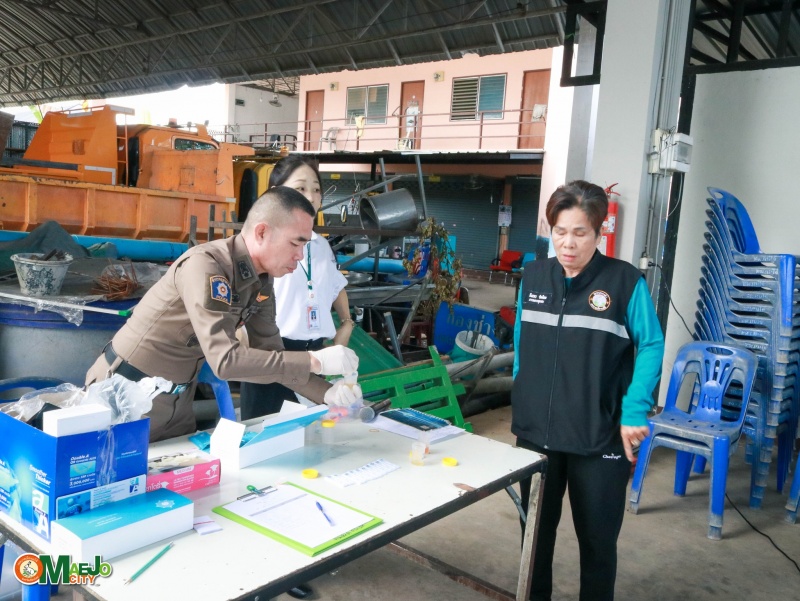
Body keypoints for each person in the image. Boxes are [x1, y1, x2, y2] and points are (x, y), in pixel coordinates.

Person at [85, 186, 359, 443]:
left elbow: (273, 355)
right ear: (262, 232)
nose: (300, 256)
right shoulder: (206, 266)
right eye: (295, 243)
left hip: (177, 401)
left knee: (181, 473)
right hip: (125, 396)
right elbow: (225, 360)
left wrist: (327, 393)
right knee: (118, 476)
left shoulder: (262, 282)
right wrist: (314, 361)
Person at [512, 180, 664, 601]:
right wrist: (523, 393)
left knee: (597, 544)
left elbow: (651, 344)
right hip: (537, 435)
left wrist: (635, 409)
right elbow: (523, 341)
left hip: (599, 438)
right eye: (560, 231)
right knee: (533, 539)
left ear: (599, 231)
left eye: (580, 233)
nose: (568, 243)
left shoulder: (624, 281)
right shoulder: (534, 276)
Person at [238, 155, 355, 420]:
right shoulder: (264, 243)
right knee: (266, 432)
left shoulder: (321, 246)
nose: (310, 197)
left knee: (312, 431)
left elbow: (335, 285)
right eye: (300, 188)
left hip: (316, 354)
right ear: (276, 193)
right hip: (273, 354)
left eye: (316, 189)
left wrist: (346, 323)